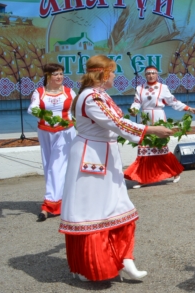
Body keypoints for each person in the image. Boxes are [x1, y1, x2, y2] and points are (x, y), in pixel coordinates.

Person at [60, 55, 174, 282]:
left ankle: (124, 260)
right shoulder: (91, 97)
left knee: (119, 207)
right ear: (102, 74)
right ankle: (90, 266)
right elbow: (117, 123)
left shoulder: (99, 94)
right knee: (93, 213)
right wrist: (152, 130)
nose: (114, 76)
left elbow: (116, 123)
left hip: (105, 154)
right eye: (112, 72)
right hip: (90, 157)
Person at [125, 66, 195, 188]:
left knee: (161, 147)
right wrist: (133, 110)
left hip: (159, 117)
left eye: (153, 73)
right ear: (145, 75)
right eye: (148, 73)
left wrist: (188, 108)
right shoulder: (140, 88)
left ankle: (175, 172)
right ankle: (142, 178)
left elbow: (173, 102)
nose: (151, 75)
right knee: (145, 147)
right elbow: (136, 103)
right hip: (145, 118)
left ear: (157, 74)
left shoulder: (163, 88)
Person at [28, 63, 76, 222]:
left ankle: (49, 204)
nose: (60, 77)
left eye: (61, 74)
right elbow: (32, 109)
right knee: (49, 165)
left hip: (65, 131)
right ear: (48, 76)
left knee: (57, 165)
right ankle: (60, 201)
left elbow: (78, 110)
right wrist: (47, 117)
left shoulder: (69, 92)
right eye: (56, 74)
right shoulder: (39, 92)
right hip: (45, 132)